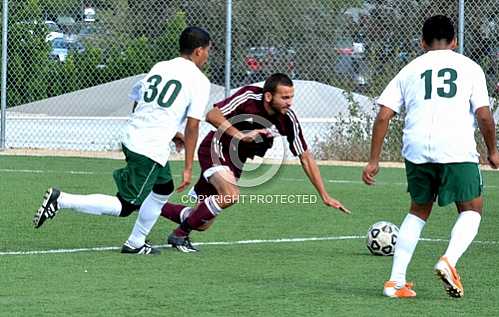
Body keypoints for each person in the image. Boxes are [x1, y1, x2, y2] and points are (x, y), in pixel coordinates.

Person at [33, 26, 213, 255]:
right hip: (149, 147)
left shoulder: (161, 66)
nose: (208, 56)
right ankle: (61, 200)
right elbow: (193, 125)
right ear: (198, 51)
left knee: (163, 188)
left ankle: (136, 242)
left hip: (134, 135)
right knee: (126, 206)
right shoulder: (199, 81)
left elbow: (141, 101)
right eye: (207, 51)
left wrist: (168, 132)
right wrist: (188, 167)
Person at [362, 15, 499, 298]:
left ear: (422, 42)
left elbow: (383, 116)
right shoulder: (470, 68)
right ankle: (448, 260)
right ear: (455, 41)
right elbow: (484, 116)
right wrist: (493, 150)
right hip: (456, 147)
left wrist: (373, 160)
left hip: (416, 149)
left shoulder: (409, 70)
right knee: (472, 209)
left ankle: (395, 282)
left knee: (418, 210)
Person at [161, 73, 350, 253]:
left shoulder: (288, 118)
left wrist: (324, 195)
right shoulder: (249, 97)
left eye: (291, 97)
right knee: (231, 195)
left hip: (236, 162)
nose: (289, 102)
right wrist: (241, 136)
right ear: (268, 96)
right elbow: (212, 115)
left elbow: (305, 157)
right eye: (284, 97)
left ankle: (147, 205)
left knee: (202, 222)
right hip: (216, 147)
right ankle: (179, 235)